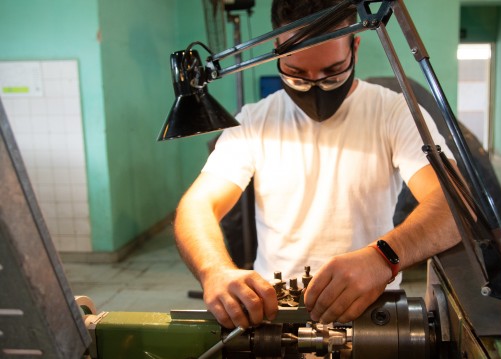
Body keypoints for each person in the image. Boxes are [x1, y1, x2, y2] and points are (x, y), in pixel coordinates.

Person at [174, 0, 461, 330]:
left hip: (370, 309)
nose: (314, 86)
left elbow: (453, 205)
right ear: (276, 50)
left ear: (355, 44)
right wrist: (215, 270)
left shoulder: (392, 112)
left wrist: (384, 257)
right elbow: (197, 206)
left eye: (331, 73)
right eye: (296, 74)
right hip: (274, 310)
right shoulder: (255, 121)